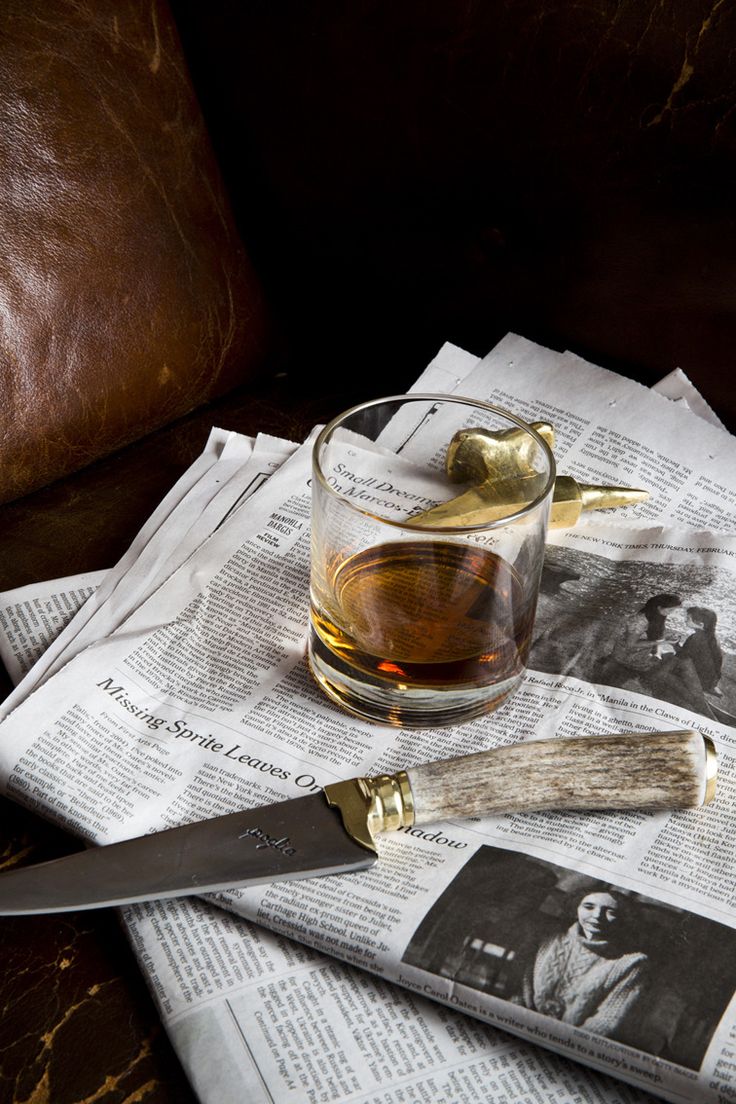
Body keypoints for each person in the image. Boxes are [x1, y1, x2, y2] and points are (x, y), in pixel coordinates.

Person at [522, 889, 649, 1044]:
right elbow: (521, 986)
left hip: (570, 1042)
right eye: (589, 907)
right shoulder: (549, 937)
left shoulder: (631, 963)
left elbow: (606, 1020)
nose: (597, 916)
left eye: (610, 912)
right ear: (576, 909)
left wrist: (567, 1043)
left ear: (623, 919)